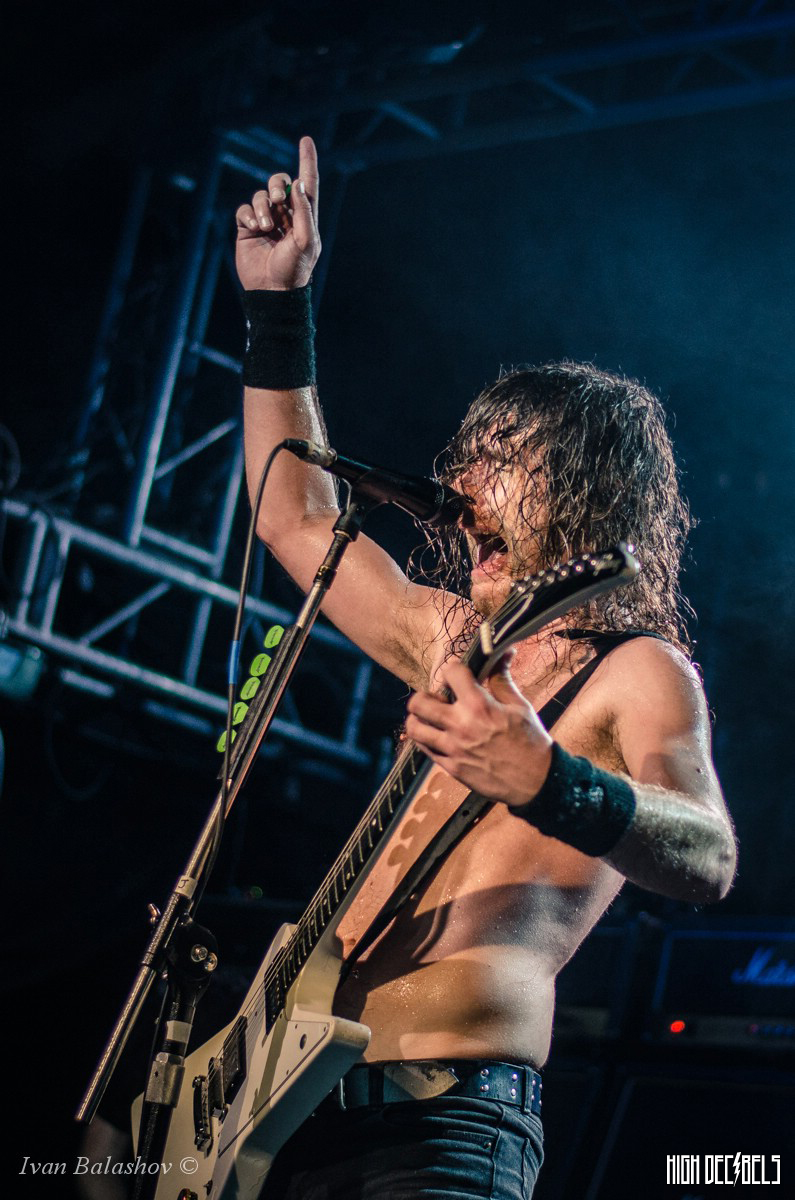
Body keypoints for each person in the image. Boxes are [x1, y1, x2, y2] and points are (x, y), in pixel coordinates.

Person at [235, 137, 737, 1199]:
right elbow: (296, 519)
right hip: (286, 1120)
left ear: (587, 490)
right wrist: (280, 308)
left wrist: (551, 782)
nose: (464, 480)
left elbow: (708, 855)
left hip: (444, 1124)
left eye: (503, 458)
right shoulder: (452, 639)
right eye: (468, 455)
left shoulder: (638, 671)